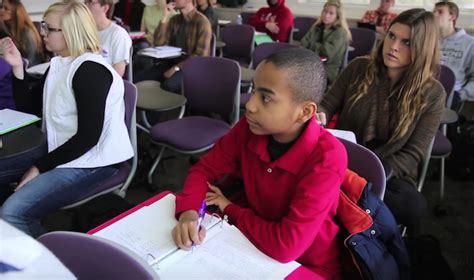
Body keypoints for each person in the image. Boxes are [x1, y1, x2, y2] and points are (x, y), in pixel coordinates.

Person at [172, 48, 347, 278]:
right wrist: (189, 214)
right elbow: (204, 170)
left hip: (305, 264)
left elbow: (286, 247)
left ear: (304, 112)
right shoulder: (250, 127)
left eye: (265, 98)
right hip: (252, 244)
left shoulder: (327, 156)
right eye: (253, 91)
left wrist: (232, 210)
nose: (250, 105)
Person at [0, 1, 134, 237]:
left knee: (12, 212)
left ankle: (51, 263)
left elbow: (88, 137)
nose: (42, 33)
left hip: (94, 161)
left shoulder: (90, 70)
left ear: (71, 31)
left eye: (48, 28)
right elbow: (30, 109)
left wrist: (39, 167)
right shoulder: (60, 64)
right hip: (64, 148)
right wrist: (17, 67)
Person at [318, 9, 445, 233]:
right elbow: (327, 105)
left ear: (422, 49)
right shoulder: (358, 68)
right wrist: (320, 114)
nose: (394, 46)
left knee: (413, 206)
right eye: (392, 36)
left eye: (407, 42)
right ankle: (351, 208)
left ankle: (347, 206)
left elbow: (412, 154)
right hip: (344, 159)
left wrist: (375, 173)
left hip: (387, 172)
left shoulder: (433, 93)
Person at [133, 0, 212, 93]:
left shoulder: (202, 22)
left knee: (168, 86)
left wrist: (176, 68)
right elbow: (159, 43)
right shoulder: (175, 20)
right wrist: (164, 17)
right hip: (172, 62)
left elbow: (200, 56)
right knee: (138, 79)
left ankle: (163, 105)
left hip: (192, 67)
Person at [433, 1, 474, 107]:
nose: (434, 14)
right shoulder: (429, 40)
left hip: (450, 95)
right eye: (434, 11)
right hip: (423, 90)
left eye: (440, 12)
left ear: (452, 16)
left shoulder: (470, 43)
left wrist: (459, 96)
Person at [301, 0, 351, 85]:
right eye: (325, 11)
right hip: (309, 64)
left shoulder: (340, 32)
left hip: (327, 70)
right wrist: (317, 47)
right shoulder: (316, 27)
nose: (326, 15)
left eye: (331, 13)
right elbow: (303, 44)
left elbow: (326, 53)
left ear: (337, 16)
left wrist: (312, 45)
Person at [86, 0, 132, 77]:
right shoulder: (84, 32)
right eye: (86, 2)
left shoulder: (118, 34)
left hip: (103, 84)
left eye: (91, 3)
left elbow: (118, 72)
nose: (86, 7)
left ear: (105, 8)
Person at [0, 0, 43, 66]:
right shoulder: (5, 29)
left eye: (6, 8)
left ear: (16, 12)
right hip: (15, 66)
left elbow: (29, 59)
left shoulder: (26, 31)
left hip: (30, 68)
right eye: (1, 7)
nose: (1, 10)